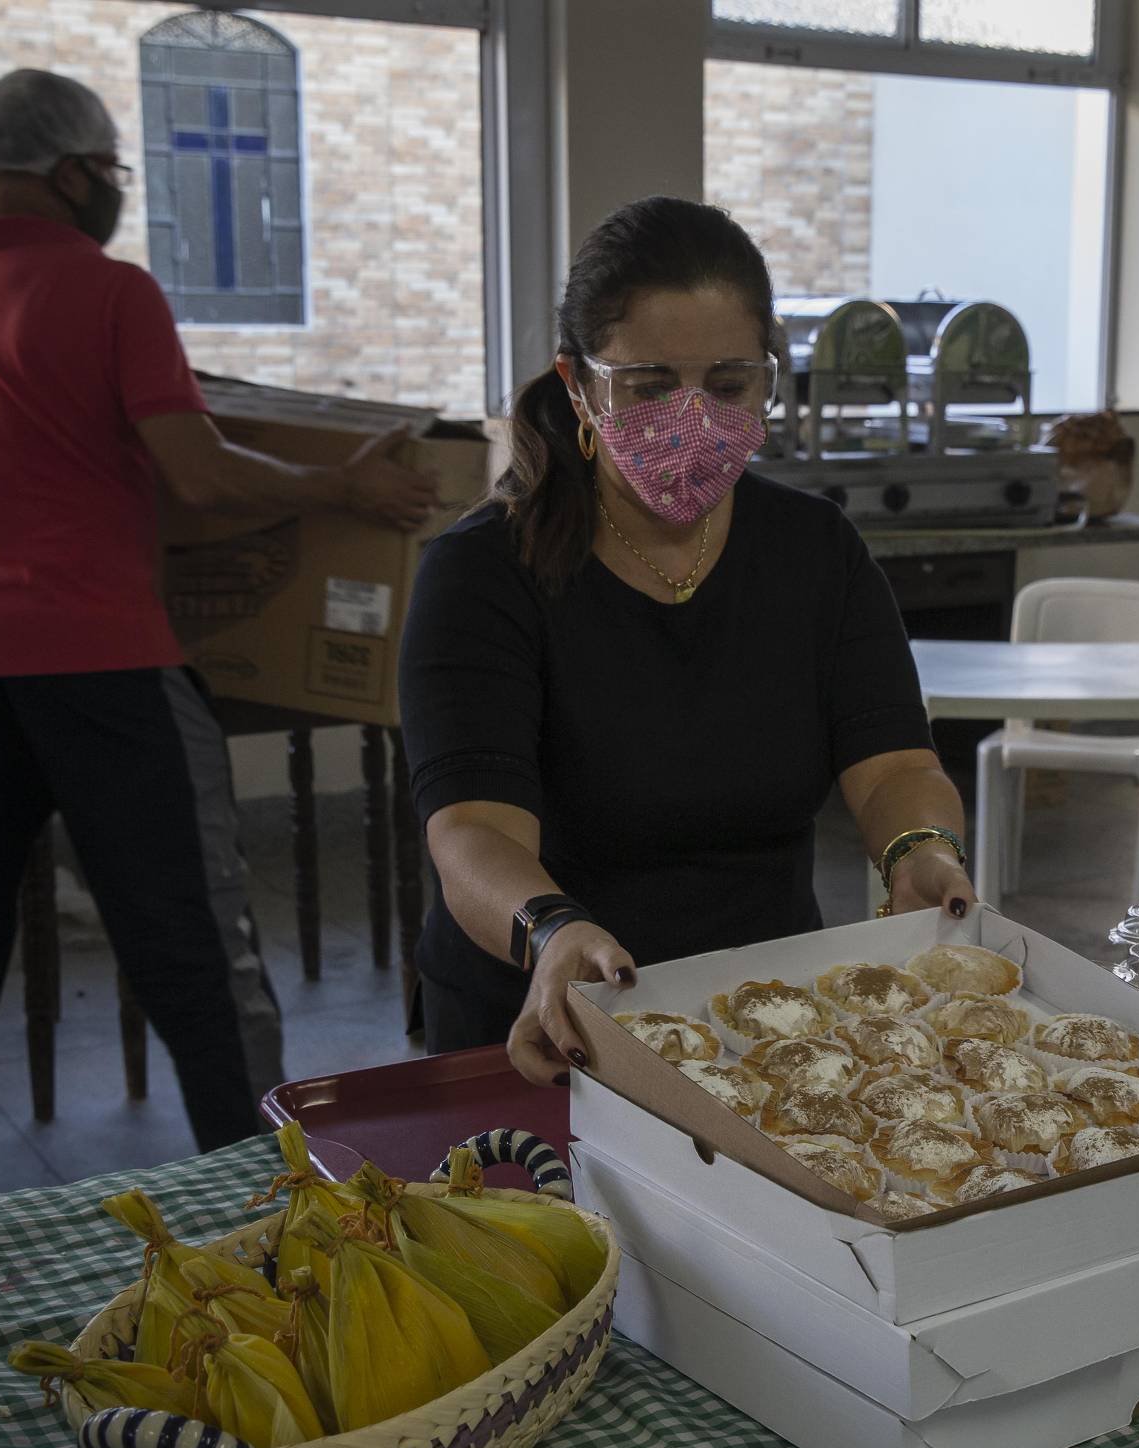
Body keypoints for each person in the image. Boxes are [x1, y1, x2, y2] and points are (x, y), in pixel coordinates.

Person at [0, 69, 440, 1194]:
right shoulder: (109, 290)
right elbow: (199, 472)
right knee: (192, 947)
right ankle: (268, 1188)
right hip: (107, 665)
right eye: (113, 173)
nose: (115, 194)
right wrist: (345, 489)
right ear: (73, 172)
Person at [399, 197, 976, 1084]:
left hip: (769, 1015)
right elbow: (473, 830)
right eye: (651, 385)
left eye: (731, 384)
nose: (694, 416)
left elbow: (895, 766)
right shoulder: (483, 573)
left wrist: (920, 852)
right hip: (546, 1025)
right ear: (580, 384)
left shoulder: (814, 552)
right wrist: (553, 929)